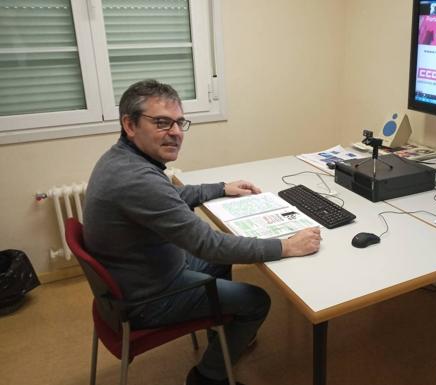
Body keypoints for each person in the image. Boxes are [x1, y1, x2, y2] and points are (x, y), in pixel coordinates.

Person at [83, 79, 322, 385]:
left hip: (136, 278)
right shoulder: (136, 179)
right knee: (257, 300)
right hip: (148, 299)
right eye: (161, 123)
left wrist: (221, 188)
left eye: (179, 122)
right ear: (129, 124)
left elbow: (167, 200)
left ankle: (220, 333)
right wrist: (285, 246)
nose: (176, 132)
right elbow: (207, 244)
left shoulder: (122, 160)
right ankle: (208, 376)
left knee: (220, 264)